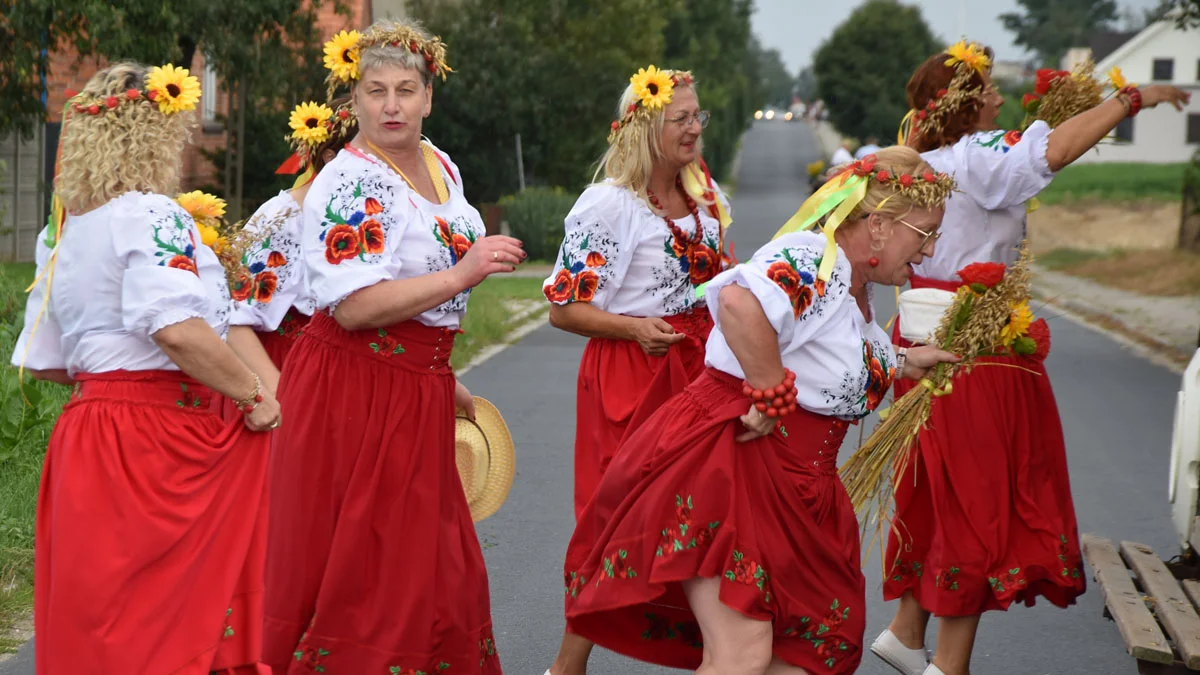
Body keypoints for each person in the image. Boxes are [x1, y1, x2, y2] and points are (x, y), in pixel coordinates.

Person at [562, 147, 959, 675]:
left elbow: (822, 357)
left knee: (808, 652)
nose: (929, 252)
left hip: (796, 485)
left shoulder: (848, 286)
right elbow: (738, 305)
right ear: (881, 226)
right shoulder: (809, 259)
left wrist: (904, 360)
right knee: (743, 655)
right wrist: (770, 390)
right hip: (740, 471)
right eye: (924, 233)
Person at [872, 41, 1191, 675]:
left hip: (925, 341)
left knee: (938, 495)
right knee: (977, 500)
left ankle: (909, 634)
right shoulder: (978, 155)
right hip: (973, 348)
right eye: (985, 89)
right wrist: (1130, 99)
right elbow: (1056, 150)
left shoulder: (924, 162)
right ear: (965, 104)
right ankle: (950, 666)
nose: (996, 96)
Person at [262, 20, 522, 673]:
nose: (392, 105)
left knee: (437, 574)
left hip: (413, 386)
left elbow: (420, 301)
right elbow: (352, 307)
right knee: (374, 580)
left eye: (406, 90)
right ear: (354, 104)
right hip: (355, 387)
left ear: (429, 96)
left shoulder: (440, 163)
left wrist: (443, 375)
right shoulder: (356, 181)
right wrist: (464, 273)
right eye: (375, 91)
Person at [11, 61, 281, 674]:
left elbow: (45, 361)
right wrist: (253, 393)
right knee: (164, 623)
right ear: (156, 137)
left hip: (86, 435)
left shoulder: (62, 234)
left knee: (102, 619)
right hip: (154, 437)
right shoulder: (154, 215)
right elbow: (176, 329)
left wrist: (109, 369)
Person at [542, 65, 733, 675]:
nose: (693, 129)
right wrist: (633, 328)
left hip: (700, 372)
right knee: (619, 520)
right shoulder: (609, 206)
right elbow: (564, 310)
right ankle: (567, 665)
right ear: (644, 128)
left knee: (708, 518)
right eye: (680, 119)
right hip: (634, 374)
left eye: (696, 116)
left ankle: (727, 653)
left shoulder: (705, 197)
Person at [224, 97, 358, 393]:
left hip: (338, 381)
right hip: (286, 376)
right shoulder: (284, 218)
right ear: (330, 157)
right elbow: (233, 317)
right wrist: (280, 394)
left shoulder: (364, 220)